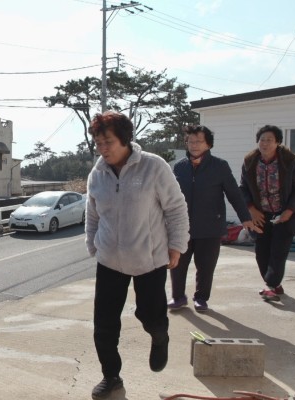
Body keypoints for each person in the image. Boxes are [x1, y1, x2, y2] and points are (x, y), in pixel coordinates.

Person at [84, 111, 189, 400]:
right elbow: (92, 212)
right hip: (109, 261)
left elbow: (176, 208)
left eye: (108, 141)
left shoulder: (153, 167)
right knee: (104, 325)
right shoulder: (97, 173)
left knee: (149, 315)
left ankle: (160, 336)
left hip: (149, 259)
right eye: (98, 142)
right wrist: (93, 244)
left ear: (125, 139)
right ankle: (111, 377)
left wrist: (177, 245)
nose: (102, 148)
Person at [169, 125, 262, 312]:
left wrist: (245, 218)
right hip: (182, 227)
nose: (194, 145)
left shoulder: (220, 166)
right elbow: (169, 196)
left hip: (210, 226)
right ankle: (178, 297)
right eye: (190, 141)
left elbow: (234, 194)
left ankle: (201, 298)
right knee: (177, 264)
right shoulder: (179, 167)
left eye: (199, 141)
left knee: (205, 266)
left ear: (208, 144)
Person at [239, 124, 295, 302]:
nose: (265, 143)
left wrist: (289, 211)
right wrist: (251, 209)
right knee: (261, 252)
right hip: (261, 215)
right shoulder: (250, 161)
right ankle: (274, 284)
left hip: (285, 215)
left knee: (278, 251)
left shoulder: (289, 161)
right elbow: (243, 188)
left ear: (277, 142)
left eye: (270, 140)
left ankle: (270, 286)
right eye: (262, 139)